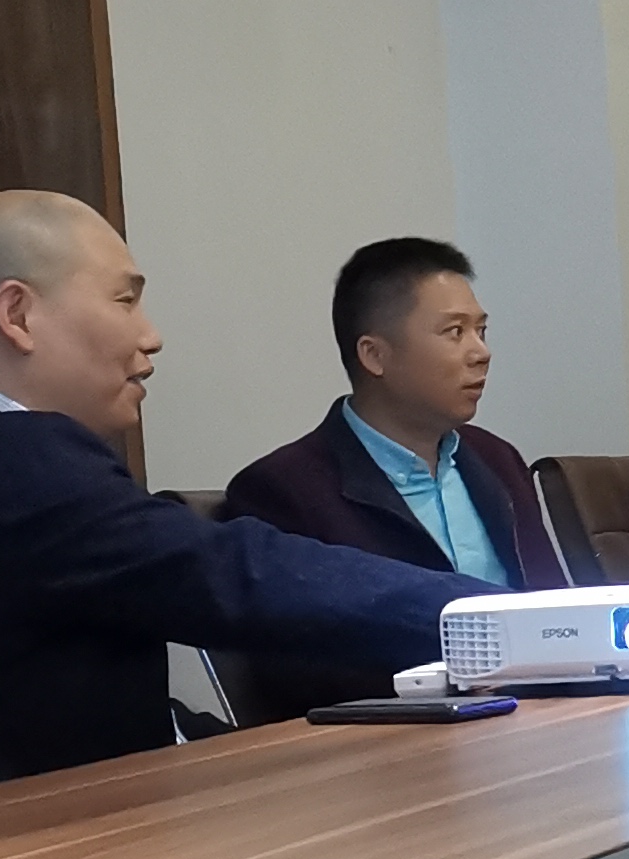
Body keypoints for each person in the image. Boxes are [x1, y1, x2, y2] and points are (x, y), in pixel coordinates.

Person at [0, 189, 465, 810]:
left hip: (100, 805)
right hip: (21, 854)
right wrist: (482, 616)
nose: (150, 336)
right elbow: (234, 574)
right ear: (18, 315)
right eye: (125, 301)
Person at [222, 238, 564, 709]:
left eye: (481, 330)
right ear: (374, 355)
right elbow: (302, 675)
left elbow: (552, 605)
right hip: (402, 733)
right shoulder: (283, 490)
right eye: (454, 332)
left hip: (539, 715)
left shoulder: (496, 458)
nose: (481, 352)